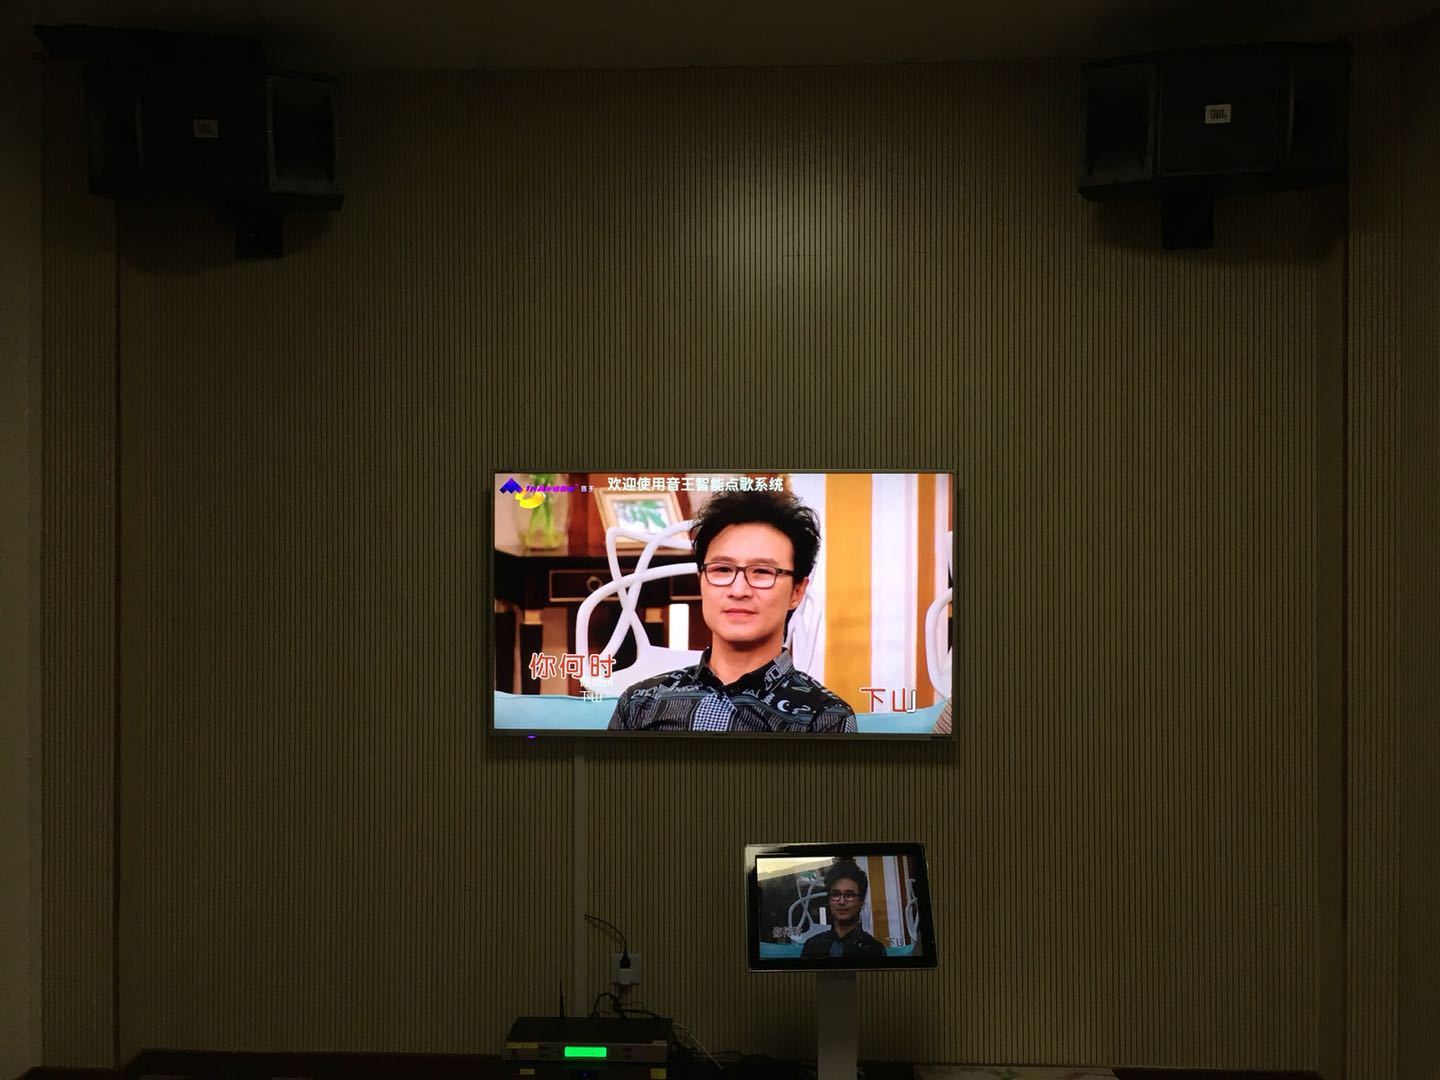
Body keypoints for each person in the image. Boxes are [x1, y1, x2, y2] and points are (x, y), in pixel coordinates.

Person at [607, 487, 857, 733]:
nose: (738, 590)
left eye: (762, 572)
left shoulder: (823, 718)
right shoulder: (640, 703)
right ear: (701, 582)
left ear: (797, 592)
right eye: (722, 570)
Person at [800, 861, 886, 960]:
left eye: (849, 895)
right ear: (829, 899)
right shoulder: (812, 946)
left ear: (861, 901)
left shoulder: (874, 950)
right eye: (836, 894)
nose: (841, 901)